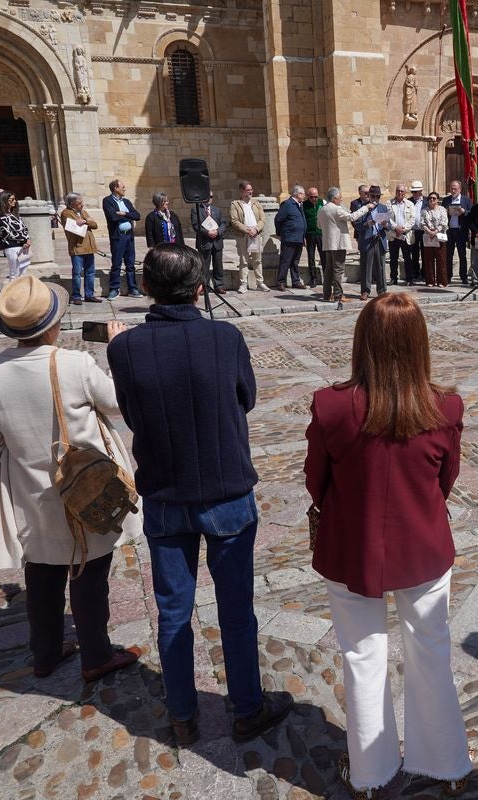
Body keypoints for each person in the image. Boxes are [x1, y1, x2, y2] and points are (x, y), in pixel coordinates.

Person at [107, 243, 291, 746]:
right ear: (200, 288)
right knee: (236, 609)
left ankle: (183, 714)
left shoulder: (123, 349)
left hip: (166, 495)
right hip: (225, 489)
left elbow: (130, 409)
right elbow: (246, 398)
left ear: (144, 288)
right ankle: (247, 708)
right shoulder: (224, 337)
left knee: (173, 610)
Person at [305, 293, 472, 798]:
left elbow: (316, 481)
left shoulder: (332, 404)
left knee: (362, 655)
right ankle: (445, 764)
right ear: (420, 344)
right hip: (421, 545)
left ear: (362, 343)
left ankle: (371, 774)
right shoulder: (443, 405)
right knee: (431, 651)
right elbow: (447, 477)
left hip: (350, 548)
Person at [0, 275, 142, 682]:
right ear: (52, 324)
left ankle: (44, 654)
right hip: (87, 483)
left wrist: (23, 468)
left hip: (30, 490)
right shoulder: (74, 364)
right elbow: (120, 404)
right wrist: (117, 351)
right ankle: (96, 654)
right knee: (90, 570)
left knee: (42, 573)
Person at [317, 187, 375, 302]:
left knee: (328, 269)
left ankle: (327, 294)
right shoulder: (336, 209)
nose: (341, 200)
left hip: (328, 244)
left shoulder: (321, 209)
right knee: (338, 269)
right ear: (334, 199)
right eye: (340, 198)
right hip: (338, 244)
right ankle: (338, 295)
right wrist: (366, 207)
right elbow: (352, 217)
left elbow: (319, 226)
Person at [101, 179, 142, 300]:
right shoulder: (107, 201)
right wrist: (127, 215)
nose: (124, 189)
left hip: (129, 236)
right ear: (115, 188)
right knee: (117, 263)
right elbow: (112, 217)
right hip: (118, 237)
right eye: (122, 187)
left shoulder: (127, 202)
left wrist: (124, 213)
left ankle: (132, 288)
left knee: (130, 264)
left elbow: (137, 216)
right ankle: (114, 289)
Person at [60, 193, 102, 305]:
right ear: (72, 204)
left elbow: (95, 225)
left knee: (90, 272)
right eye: (79, 203)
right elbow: (73, 227)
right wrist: (84, 222)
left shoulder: (83, 212)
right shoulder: (66, 213)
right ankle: (76, 296)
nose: (82, 205)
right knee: (77, 273)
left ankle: (89, 295)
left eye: (81, 202)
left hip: (89, 247)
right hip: (77, 248)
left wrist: (85, 221)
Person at [230, 182, 269, 293]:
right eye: (248, 190)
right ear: (242, 191)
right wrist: (247, 230)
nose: (251, 192)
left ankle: (260, 282)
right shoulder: (235, 204)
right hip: (243, 235)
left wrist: (255, 229)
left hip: (255, 235)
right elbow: (234, 220)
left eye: (251, 189)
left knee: (257, 260)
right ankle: (243, 284)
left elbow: (262, 219)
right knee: (244, 260)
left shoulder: (256, 203)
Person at [355, 185, 389, 300]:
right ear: (368, 196)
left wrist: (385, 225)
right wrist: (367, 224)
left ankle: (382, 290)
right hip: (367, 241)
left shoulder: (383, 208)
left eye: (377, 197)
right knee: (366, 267)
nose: (375, 199)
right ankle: (365, 291)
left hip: (379, 240)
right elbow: (357, 226)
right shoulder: (362, 208)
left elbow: (388, 226)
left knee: (380, 267)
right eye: (373, 196)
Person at [191, 197, 228, 293]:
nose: (209, 199)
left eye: (211, 196)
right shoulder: (196, 210)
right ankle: (204, 286)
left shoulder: (217, 210)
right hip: (204, 242)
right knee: (204, 265)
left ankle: (219, 285)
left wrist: (218, 232)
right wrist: (207, 233)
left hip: (217, 242)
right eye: (207, 196)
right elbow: (196, 225)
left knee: (218, 265)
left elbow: (223, 223)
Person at [275, 185, 308, 291]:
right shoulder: (287, 204)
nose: (304, 196)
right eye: (303, 194)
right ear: (298, 194)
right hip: (289, 238)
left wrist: (303, 236)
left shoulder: (299, 205)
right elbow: (278, 219)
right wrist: (280, 233)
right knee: (285, 260)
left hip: (299, 238)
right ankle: (280, 282)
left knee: (295, 261)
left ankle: (296, 281)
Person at [0, 192, 31, 282]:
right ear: (4, 201)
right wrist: (24, 240)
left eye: (15, 199)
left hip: (23, 246)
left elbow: (24, 228)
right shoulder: (0, 216)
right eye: (12, 200)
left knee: (23, 272)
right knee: (14, 273)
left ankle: (22, 293)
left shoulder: (15, 214)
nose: (15, 201)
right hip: (11, 246)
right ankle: (13, 294)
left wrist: (28, 240)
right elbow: (7, 233)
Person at [443, 180, 472, 285]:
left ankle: (463, 276)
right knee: (448, 255)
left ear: (460, 189)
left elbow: (471, 215)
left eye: (455, 188)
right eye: (451, 188)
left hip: (461, 231)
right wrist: (445, 212)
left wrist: (464, 212)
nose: (453, 190)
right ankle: (448, 276)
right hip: (449, 231)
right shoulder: (446, 200)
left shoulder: (466, 200)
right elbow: (441, 214)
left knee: (462, 255)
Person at [387, 184, 417, 285]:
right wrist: (396, 227)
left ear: (405, 193)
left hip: (405, 235)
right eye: (398, 190)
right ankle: (393, 278)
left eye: (401, 191)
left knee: (407, 258)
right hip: (393, 234)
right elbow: (388, 218)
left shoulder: (410, 204)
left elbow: (412, 219)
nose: (399, 193)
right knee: (393, 258)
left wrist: (403, 229)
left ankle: (409, 279)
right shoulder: (389, 203)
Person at [419, 192, 448, 288]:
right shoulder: (424, 210)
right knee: (429, 260)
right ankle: (430, 281)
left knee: (441, 260)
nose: (431, 200)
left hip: (439, 237)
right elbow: (422, 223)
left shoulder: (442, 209)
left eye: (434, 198)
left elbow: (444, 223)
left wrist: (435, 232)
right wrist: (429, 231)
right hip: (428, 237)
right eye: (430, 198)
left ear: (437, 200)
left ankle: (442, 281)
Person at [303, 186, 325, 289]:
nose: (314, 199)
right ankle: (313, 279)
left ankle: (326, 277)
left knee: (324, 256)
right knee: (311, 257)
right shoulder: (304, 205)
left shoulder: (322, 203)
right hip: (310, 234)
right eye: (312, 197)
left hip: (321, 233)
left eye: (315, 196)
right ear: (308, 196)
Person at [408, 180, 426, 283]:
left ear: (420, 191)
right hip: (413, 230)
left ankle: (424, 274)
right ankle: (415, 273)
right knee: (414, 253)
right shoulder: (409, 201)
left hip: (423, 230)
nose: (414, 194)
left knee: (424, 253)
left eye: (416, 192)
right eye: (413, 192)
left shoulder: (427, 200)